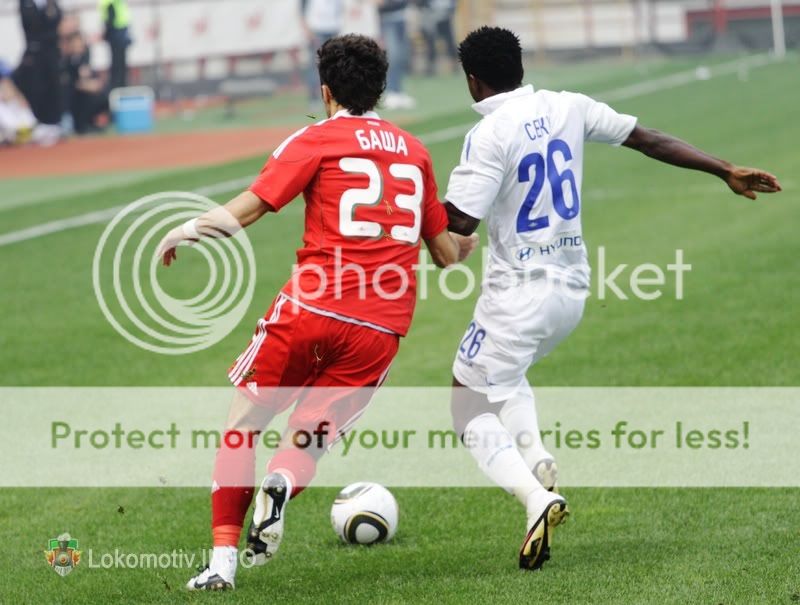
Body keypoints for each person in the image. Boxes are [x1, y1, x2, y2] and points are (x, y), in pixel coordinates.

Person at [443, 27, 782, 571]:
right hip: (571, 292)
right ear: (521, 68)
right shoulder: (568, 106)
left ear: (472, 80)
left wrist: (410, 203)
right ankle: (538, 458)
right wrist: (724, 169)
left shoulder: (488, 134)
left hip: (518, 296)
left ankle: (535, 497)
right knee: (505, 373)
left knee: (466, 405)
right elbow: (647, 138)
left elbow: (460, 223)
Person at [156, 34, 478, 591]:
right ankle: (281, 482)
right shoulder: (415, 151)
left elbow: (250, 209)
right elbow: (446, 254)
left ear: (326, 91)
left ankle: (222, 565)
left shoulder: (316, 138)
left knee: (242, 427)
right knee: (308, 439)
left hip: (310, 309)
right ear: (381, 88)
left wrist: (187, 229)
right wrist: (464, 244)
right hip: (381, 328)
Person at [13, 0, 63, 143]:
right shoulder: (26, 2)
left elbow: (57, 19)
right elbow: (30, 23)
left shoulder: (51, 3)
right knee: (37, 88)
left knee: (54, 87)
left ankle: (54, 123)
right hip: (35, 52)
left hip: (52, 53)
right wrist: (45, 15)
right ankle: (41, 122)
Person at [60, 29, 109, 134]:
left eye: (80, 43)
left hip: (86, 89)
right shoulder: (65, 61)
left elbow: (92, 76)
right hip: (72, 94)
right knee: (83, 98)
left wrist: (94, 84)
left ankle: (94, 122)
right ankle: (80, 126)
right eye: (75, 44)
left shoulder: (85, 58)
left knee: (102, 96)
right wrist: (85, 85)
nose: (78, 46)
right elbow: (69, 81)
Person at [300, 0, 344, 108]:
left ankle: (334, 97)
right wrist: (307, 30)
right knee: (316, 65)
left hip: (333, 29)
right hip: (316, 30)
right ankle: (314, 98)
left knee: (334, 65)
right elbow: (302, 11)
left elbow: (340, 8)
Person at [377, 0, 416, 110]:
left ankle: (398, 91)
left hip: (402, 17)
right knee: (392, 57)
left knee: (401, 57)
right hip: (387, 19)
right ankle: (391, 91)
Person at [0, 59, 37, 145]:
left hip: (14, 110)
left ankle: (22, 134)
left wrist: (19, 97)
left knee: (21, 107)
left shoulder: (11, 85)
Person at [98, 0, 131, 90]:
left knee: (118, 64)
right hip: (119, 34)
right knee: (119, 64)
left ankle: (118, 86)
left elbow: (110, 19)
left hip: (116, 34)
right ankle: (119, 86)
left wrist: (106, 34)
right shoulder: (113, 2)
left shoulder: (109, 2)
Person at [419, 0, 457, 76]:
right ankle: (431, 67)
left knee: (449, 41)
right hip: (430, 14)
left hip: (444, 14)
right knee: (430, 43)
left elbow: (452, 3)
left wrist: (450, 8)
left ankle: (455, 65)